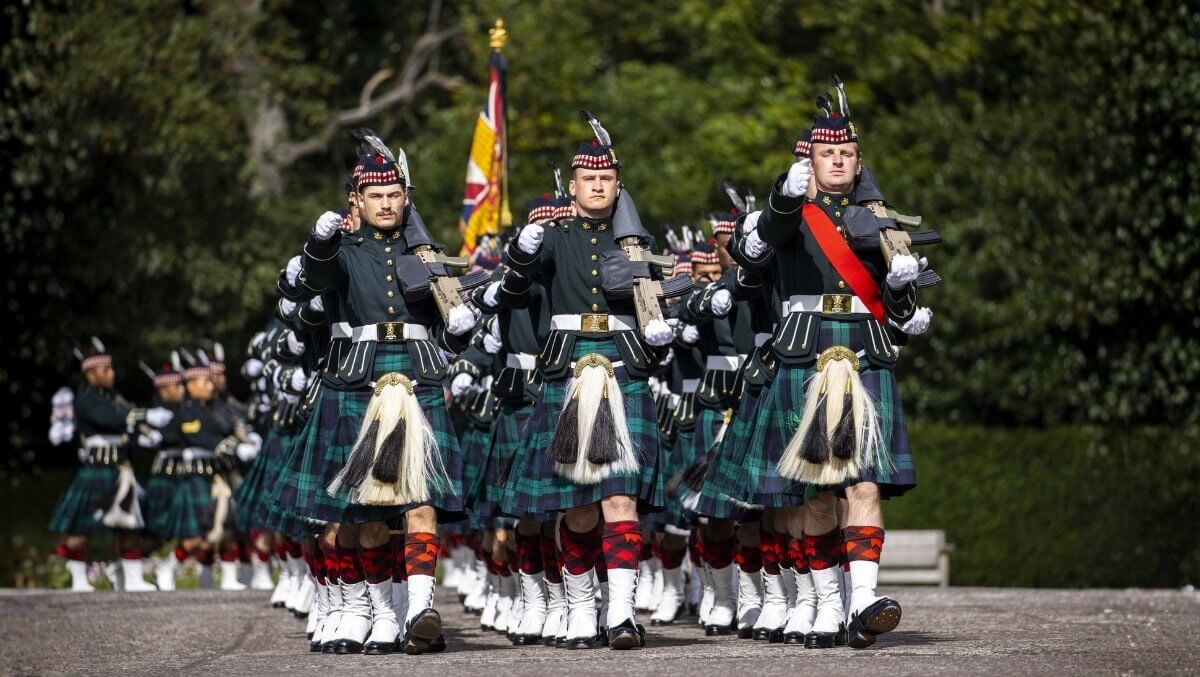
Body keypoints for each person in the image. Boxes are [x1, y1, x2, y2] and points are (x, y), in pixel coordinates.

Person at [734, 82, 933, 649]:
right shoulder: (790, 209)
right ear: (810, 159)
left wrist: (904, 299)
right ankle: (824, 601)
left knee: (864, 480)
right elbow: (759, 251)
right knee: (818, 494)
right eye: (828, 153)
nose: (838, 160)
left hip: (865, 345)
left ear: (857, 160)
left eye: (846, 153)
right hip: (807, 346)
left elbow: (894, 294)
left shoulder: (880, 216)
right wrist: (780, 199)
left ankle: (864, 596)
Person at [284, 135, 474, 655]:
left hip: (417, 376)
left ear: (404, 198)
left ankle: (420, 610)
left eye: (394, 194)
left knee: (421, 502)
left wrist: (462, 325)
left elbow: (450, 327)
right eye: (376, 195)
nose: (386, 203)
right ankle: (380, 614)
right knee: (366, 516)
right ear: (357, 202)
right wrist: (319, 243)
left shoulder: (425, 251)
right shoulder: (343, 250)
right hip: (360, 381)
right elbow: (308, 283)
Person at [503, 133, 671, 650]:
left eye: (607, 179)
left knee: (620, 499)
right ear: (573, 187)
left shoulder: (637, 242)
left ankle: (620, 613)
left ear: (618, 185)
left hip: (623, 366)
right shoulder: (555, 235)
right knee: (577, 507)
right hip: (570, 370)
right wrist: (523, 246)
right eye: (589, 180)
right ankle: (580, 604)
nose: (598, 187)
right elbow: (520, 279)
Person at [49, 338, 172, 591]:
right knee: (82, 528)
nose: (111, 373)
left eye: (111, 368)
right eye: (106, 370)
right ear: (90, 373)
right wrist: (145, 415)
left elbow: (125, 426)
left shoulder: (114, 397)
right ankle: (79, 579)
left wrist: (143, 436)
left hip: (119, 469)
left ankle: (133, 578)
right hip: (96, 470)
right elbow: (110, 419)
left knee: (130, 524)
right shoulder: (85, 399)